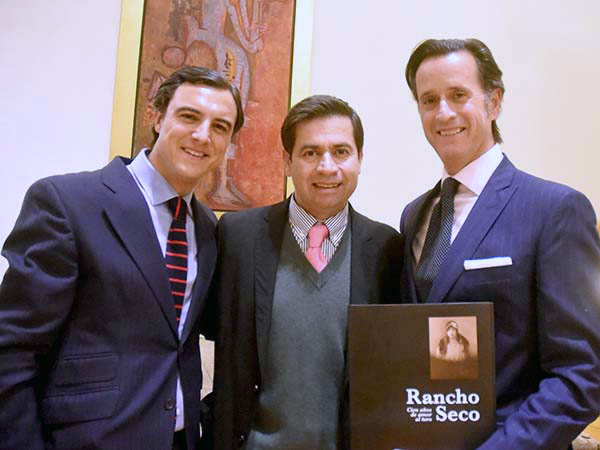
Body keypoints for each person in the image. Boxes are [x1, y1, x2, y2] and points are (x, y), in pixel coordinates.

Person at [0, 66, 244, 450]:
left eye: (220, 126)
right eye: (189, 116)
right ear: (157, 117)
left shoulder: (206, 226)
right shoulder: (68, 203)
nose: (202, 135)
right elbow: (12, 350)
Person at [400, 38, 600, 448]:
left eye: (458, 95)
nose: (443, 112)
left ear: (494, 102)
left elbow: (582, 373)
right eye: (429, 100)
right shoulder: (414, 216)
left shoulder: (556, 209)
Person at [209, 95, 403, 449]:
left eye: (341, 152)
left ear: (360, 159)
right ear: (287, 161)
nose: (327, 167)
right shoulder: (237, 237)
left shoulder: (386, 249)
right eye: (311, 153)